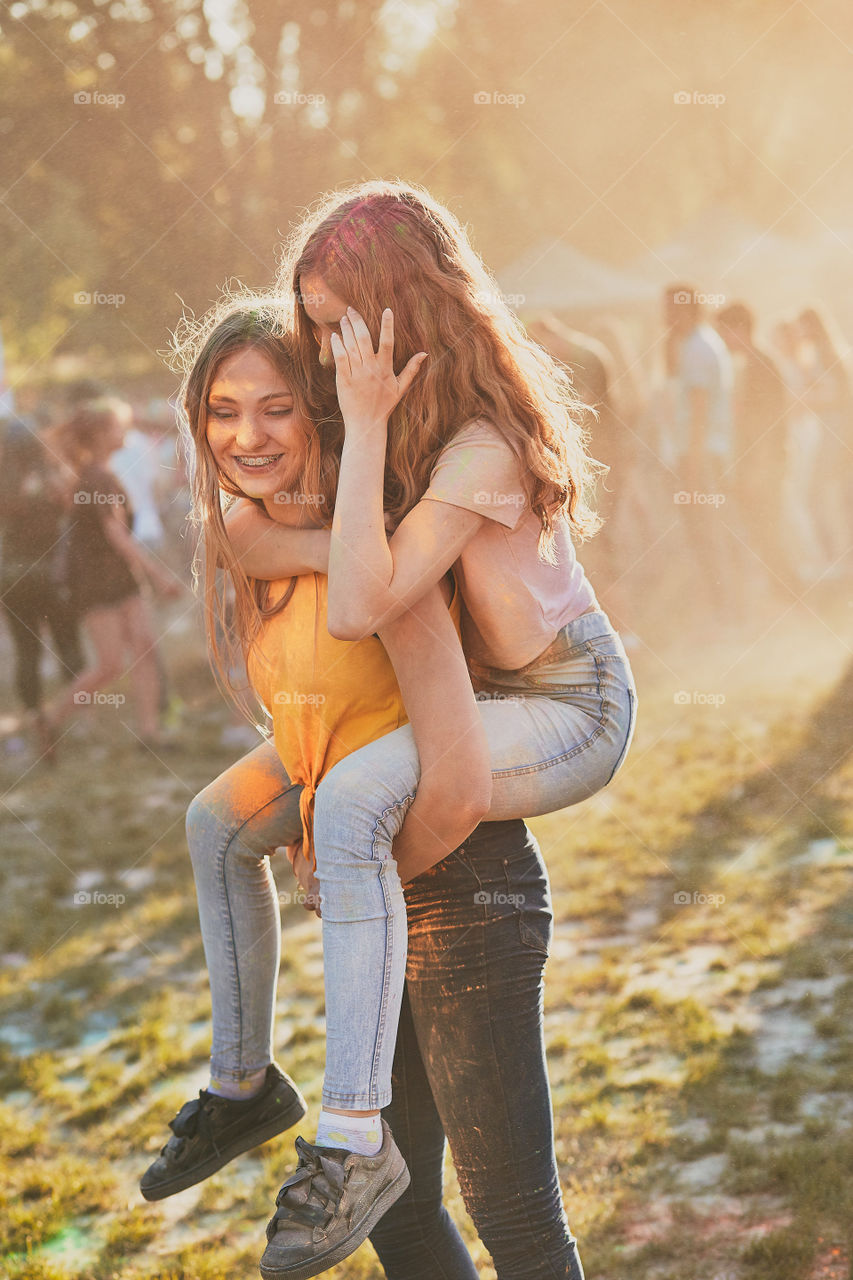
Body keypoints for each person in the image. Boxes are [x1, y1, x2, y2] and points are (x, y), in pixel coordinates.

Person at [220, 181, 636, 1278]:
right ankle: (241, 1084)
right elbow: (255, 527)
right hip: (496, 698)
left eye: (338, 323)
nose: (323, 348)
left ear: (401, 311)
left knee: (352, 801)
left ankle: (346, 1127)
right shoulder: (397, 439)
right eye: (309, 322)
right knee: (232, 820)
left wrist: (354, 432)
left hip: (571, 700)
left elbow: (364, 597)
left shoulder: (478, 446)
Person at [143, 301, 587, 1279]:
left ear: (322, 415)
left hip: (465, 887)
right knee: (398, 1212)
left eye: (276, 409)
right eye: (223, 409)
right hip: (373, 901)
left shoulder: (383, 554)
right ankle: (242, 1084)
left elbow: (452, 760)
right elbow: (322, 725)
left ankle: (290, 1106)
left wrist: (333, 839)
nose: (246, 435)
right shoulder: (256, 540)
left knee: (512, 1213)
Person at [42, 398, 180, 752]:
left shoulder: (99, 474)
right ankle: (51, 721)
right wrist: (160, 576)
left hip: (121, 577)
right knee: (109, 665)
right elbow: (118, 536)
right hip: (97, 584)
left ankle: (149, 734)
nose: (125, 433)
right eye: (119, 427)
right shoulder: (97, 477)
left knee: (145, 647)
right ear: (103, 435)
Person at [0, 411, 84, 751]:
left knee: (27, 650)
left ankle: (36, 716)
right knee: (67, 641)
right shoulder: (49, 476)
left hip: (12, 576)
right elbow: (70, 506)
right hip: (50, 574)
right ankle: (74, 716)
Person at [716, 301, 792, 593]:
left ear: (740, 329)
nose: (722, 339)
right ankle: (782, 589)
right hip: (762, 460)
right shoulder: (753, 363)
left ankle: (787, 589)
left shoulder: (761, 365)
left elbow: (766, 423)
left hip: (766, 461)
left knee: (767, 527)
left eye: (724, 331)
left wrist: (758, 468)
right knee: (764, 528)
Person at [796, 305, 852, 573]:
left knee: (824, 492)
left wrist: (808, 401)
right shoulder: (817, 354)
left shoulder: (827, 354)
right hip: (828, 434)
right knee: (828, 493)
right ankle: (833, 554)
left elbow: (840, 397)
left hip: (837, 434)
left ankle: (834, 556)